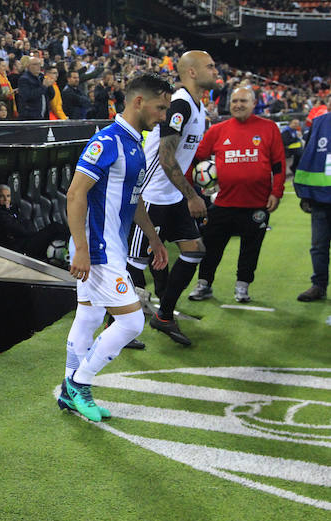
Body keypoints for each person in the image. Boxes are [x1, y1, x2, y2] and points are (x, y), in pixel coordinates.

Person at [59, 73, 172, 422]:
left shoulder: (135, 142)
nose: (163, 115)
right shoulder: (107, 141)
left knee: (90, 316)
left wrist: (153, 239)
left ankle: (68, 391)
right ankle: (81, 383)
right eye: (160, 107)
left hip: (109, 246)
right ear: (139, 102)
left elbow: (132, 199)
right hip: (98, 249)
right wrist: (82, 248)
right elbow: (76, 193)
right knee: (132, 323)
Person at [126, 50, 219, 346]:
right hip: (152, 193)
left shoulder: (197, 105)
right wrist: (192, 195)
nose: (216, 71)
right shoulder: (179, 103)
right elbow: (165, 157)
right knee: (135, 263)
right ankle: (119, 325)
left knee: (194, 250)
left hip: (172, 195)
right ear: (191, 72)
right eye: (210, 66)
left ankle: (164, 315)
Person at [187, 87, 285, 303]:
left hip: (257, 203)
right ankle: (204, 284)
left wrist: (276, 192)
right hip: (223, 203)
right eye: (234, 101)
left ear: (253, 103)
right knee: (212, 246)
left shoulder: (269, 128)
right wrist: (191, 189)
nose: (238, 104)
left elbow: (278, 165)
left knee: (251, 248)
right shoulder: (217, 130)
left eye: (243, 100)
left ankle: (242, 286)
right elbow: (196, 160)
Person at [293, 111, 331, 302]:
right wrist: (304, 193)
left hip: (321, 198)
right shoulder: (318, 124)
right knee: (318, 247)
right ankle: (319, 285)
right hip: (320, 200)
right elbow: (307, 158)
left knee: (319, 246)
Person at [0, 185, 70, 262]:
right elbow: (18, 229)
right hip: (21, 248)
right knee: (55, 228)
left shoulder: (13, 209)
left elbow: (29, 224)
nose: (6, 199)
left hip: (28, 239)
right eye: (1, 196)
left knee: (56, 231)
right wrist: (23, 225)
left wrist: (23, 225)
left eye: (8, 196)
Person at [17, 56, 53, 121]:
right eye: (35, 64)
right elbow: (28, 96)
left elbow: (51, 95)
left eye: (39, 64)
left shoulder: (41, 77)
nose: (38, 66)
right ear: (28, 66)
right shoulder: (24, 79)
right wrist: (44, 86)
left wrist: (49, 85)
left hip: (43, 116)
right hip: (30, 117)